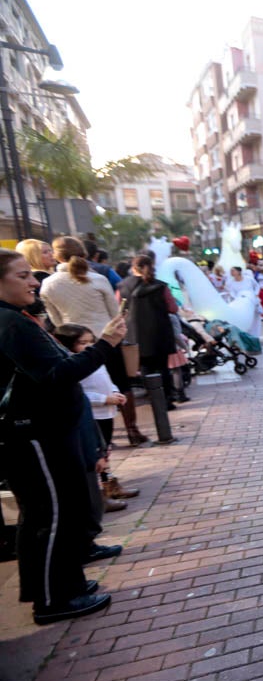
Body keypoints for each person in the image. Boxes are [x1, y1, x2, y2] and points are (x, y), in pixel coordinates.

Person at [0, 249, 124, 625]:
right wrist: (105, 344)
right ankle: (54, 599)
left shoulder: (15, 319)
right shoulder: (11, 324)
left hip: (42, 431)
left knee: (47, 514)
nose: (33, 282)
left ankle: (59, 586)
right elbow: (57, 375)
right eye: (22, 276)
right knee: (50, 515)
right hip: (34, 434)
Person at [39, 237, 147, 446]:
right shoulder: (98, 279)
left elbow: (56, 321)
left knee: (84, 389)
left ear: (57, 255)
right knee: (121, 385)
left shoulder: (48, 284)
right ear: (83, 254)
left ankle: (99, 440)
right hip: (107, 341)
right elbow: (115, 314)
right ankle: (132, 430)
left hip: (74, 344)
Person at [53, 324, 140, 509]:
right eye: (82, 343)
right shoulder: (73, 365)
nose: (88, 346)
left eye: (91, 342)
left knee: (105, 450)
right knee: (96, 455)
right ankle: (100, 494)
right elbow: (80, 394)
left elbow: (107, 381)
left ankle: (110, 485)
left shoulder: (94, 360)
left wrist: (115, 393)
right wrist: (105, 399)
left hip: (107, 413)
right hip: (92, 416)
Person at [117, 255, 181, 409]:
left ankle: (154, 400)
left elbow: (118, 309)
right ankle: (167, 400)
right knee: (163, 367)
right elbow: (173, 308)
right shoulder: (161, 286)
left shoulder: (122, 286)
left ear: (133, 268)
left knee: (145, 368)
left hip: (136, 334)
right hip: (160, 333)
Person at [15, 238, 55, 321]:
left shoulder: (52, 274)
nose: (51, 254)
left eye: (50, 250)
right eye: (45, 252)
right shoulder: (39, 277)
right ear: (32, 257)